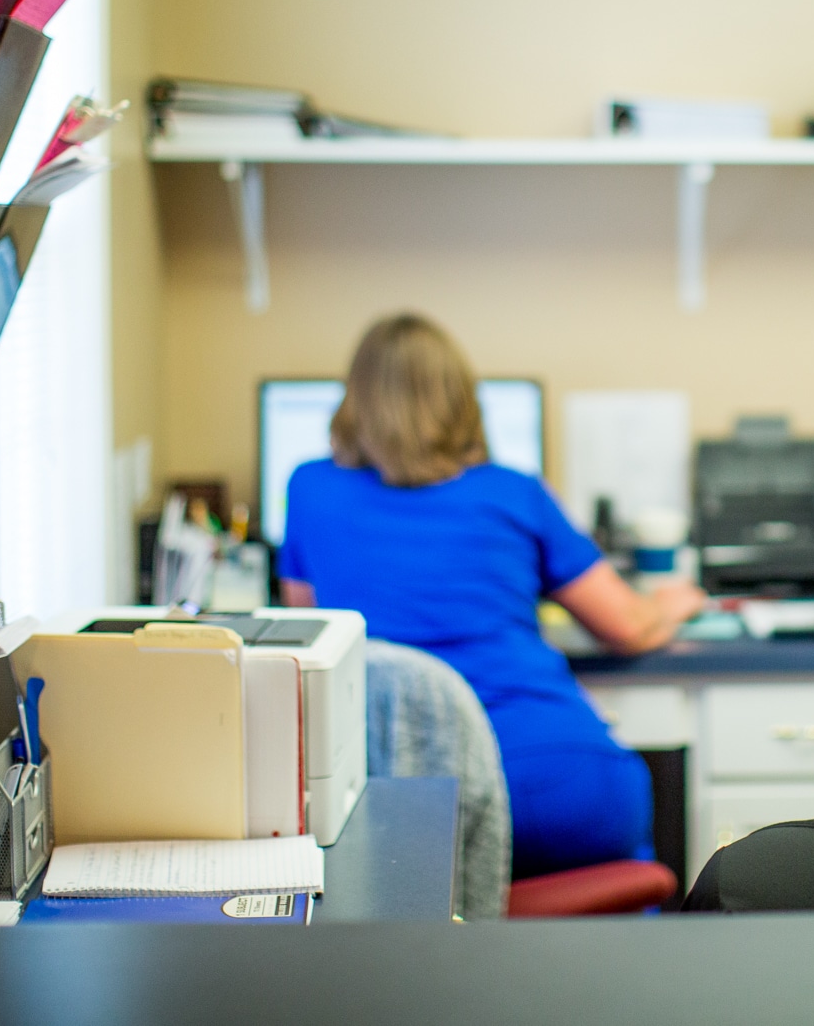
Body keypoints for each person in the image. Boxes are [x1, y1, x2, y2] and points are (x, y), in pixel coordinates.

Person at [277, 314, 706, 878]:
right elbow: (627, 626)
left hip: (403, 799)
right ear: (463, 402)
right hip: (555, 784)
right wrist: (673, 602)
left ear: (356, 401)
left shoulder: (308, 487)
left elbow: (308, 638)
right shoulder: (513, 491)